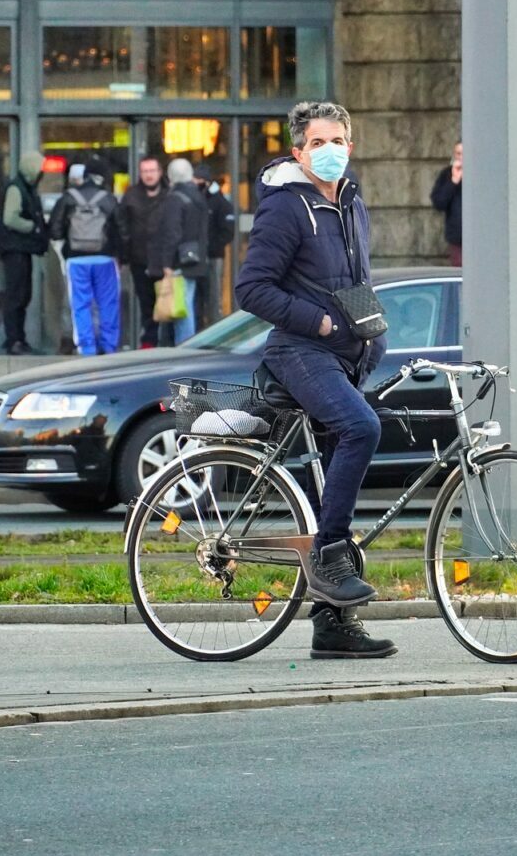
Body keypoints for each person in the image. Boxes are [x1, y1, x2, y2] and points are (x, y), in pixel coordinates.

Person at [235, 101, 395, 660]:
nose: (331, 151)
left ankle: (332, 629)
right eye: (318, 142)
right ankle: (329, 555)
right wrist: (320, 321)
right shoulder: (285, 208)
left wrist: (372, 336)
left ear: (352, 145)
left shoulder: (352, 203)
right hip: (301, 350)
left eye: (339, 140)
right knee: (361, 428)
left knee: (329, 485)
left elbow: (355, 280)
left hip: (347, 357)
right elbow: (251, 289)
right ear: (298, 152)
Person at [49, 161, 121, 356]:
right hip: (104, 258)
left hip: (76, 259)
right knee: (107, 302)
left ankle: (86, 347)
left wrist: (66, 248)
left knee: (80, 304)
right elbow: (121, 229)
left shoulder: (68, 197)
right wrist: (116, 251)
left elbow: (55, 229)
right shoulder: (108, 198)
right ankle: (109, 346)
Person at [150, 158, 210, 346]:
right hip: (194, 258)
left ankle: (184, 348)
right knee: (185, 305)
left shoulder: (175, 199)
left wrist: (166, 263)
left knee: (182, 309)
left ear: (169, 177)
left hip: (179, 261)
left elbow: (172, 233)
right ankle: (181, 345)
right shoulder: (198, 197)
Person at [0, 151, 47, 355]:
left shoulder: (25, 188)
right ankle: (14, 339)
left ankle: (18, 338)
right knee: (16, 295)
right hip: (15, 249)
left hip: (21, 249)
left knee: (23, 295)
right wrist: (32, 227)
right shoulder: (17, 189)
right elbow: (10, 218)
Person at [117, 155, 167, 348]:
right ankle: (150, 341)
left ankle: (162, 341)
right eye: (145, 171)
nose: (149, 175)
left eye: (152, 171)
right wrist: (125, 252)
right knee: (146, 304)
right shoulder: (131, 195)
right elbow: (121, 224)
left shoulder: (169, 194)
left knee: (166, 305)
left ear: (159, 173)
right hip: (139, 259)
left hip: (164, 261)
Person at [194, 163, 236, 330]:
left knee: (212, 296)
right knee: (196, 298)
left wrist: (211, 247)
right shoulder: (196, 198)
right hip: (196, 257)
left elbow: (227, 231)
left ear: (206, 181)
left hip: (213, 256)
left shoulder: (220, 202)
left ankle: (213, 328)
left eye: (197, 179)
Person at [430, 141, 464, 267]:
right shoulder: (446, 174)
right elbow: (438, 202)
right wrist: (453, 182)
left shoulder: (480, 174)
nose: (461, 157)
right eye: (458, 153)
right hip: (456, 237)